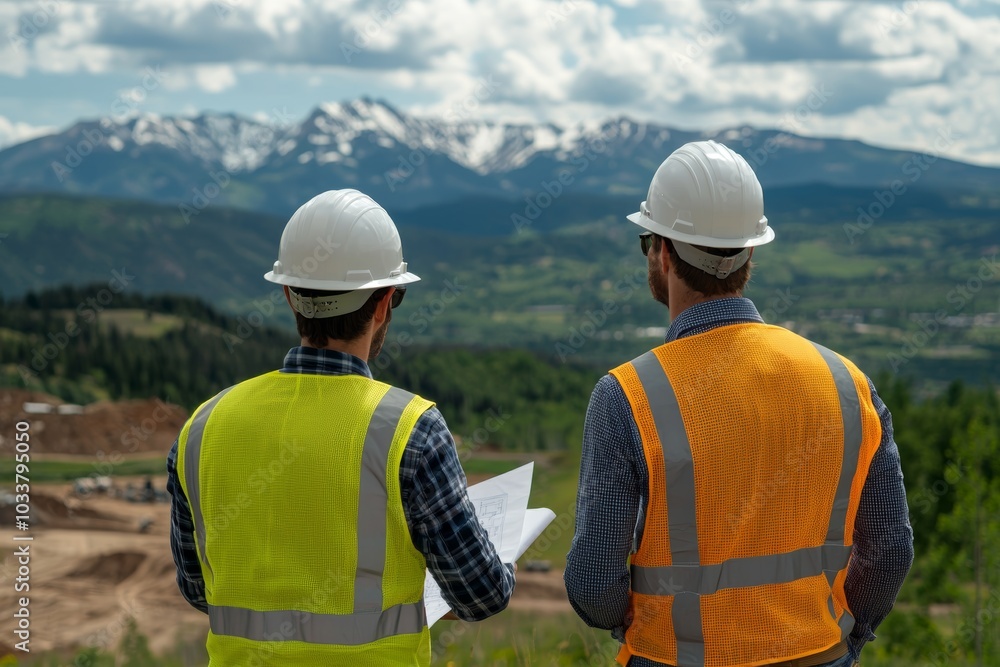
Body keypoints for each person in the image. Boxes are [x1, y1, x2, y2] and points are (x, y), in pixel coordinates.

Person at [564, 141, 913, 667]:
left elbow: (594, 585)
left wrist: (641, 629)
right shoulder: (848, 384)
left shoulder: (626, 397)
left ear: (661, 250)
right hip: (819, 654)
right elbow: (889, 553)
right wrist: (847, 638)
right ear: (751, 251)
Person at [167, 189, 515, 665]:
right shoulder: (412, 431)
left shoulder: (202, 428)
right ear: (384, 302)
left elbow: (197, 589)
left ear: (289, 295)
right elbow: (482, 595)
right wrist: (502, 565)